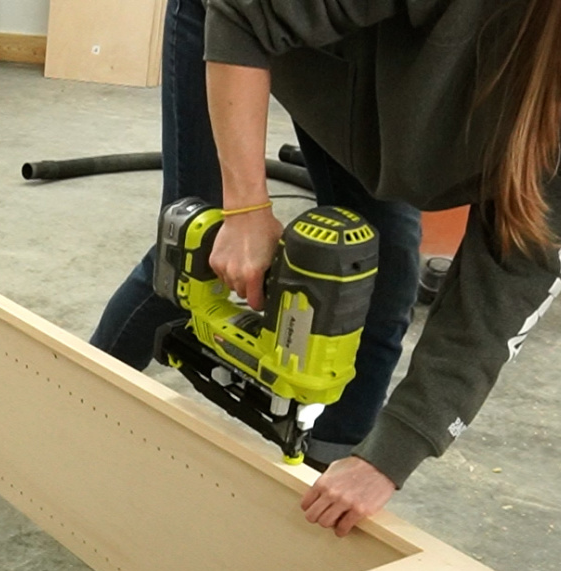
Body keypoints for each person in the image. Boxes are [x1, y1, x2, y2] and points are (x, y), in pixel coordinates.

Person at [92, 0, 561, 536]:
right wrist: (245, 209)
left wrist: (387, 457)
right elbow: (245, 18)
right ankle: (64, 410)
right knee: (194, 251)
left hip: (364, 84)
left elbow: (507, 285)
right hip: (242, 23)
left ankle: (321, 494)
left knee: (379, 289)